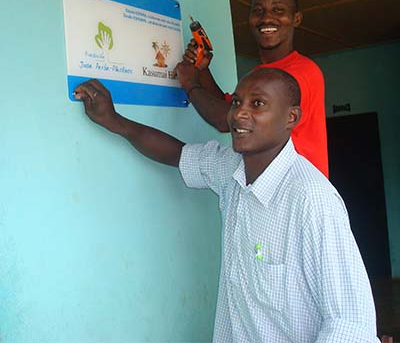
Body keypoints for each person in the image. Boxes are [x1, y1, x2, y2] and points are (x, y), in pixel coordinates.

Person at [74, 68, 378, 342]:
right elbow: (177, 154)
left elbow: (351, 323)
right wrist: (112, 120)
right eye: (236, 102)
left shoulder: (312, 200)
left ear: (291, 118)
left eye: (257, 104)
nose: (239, 114)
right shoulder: (232, 170)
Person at [176, 0, 329, 177]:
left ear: (296, 18)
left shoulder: (303, 72)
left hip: (296, 193)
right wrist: (203, 70)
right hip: (265, 186)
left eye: (278, 9)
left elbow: (226, 120)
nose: (267, 18)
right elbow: (228, 107)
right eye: (258, 11)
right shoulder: (259, 74)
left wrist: (190, 84)